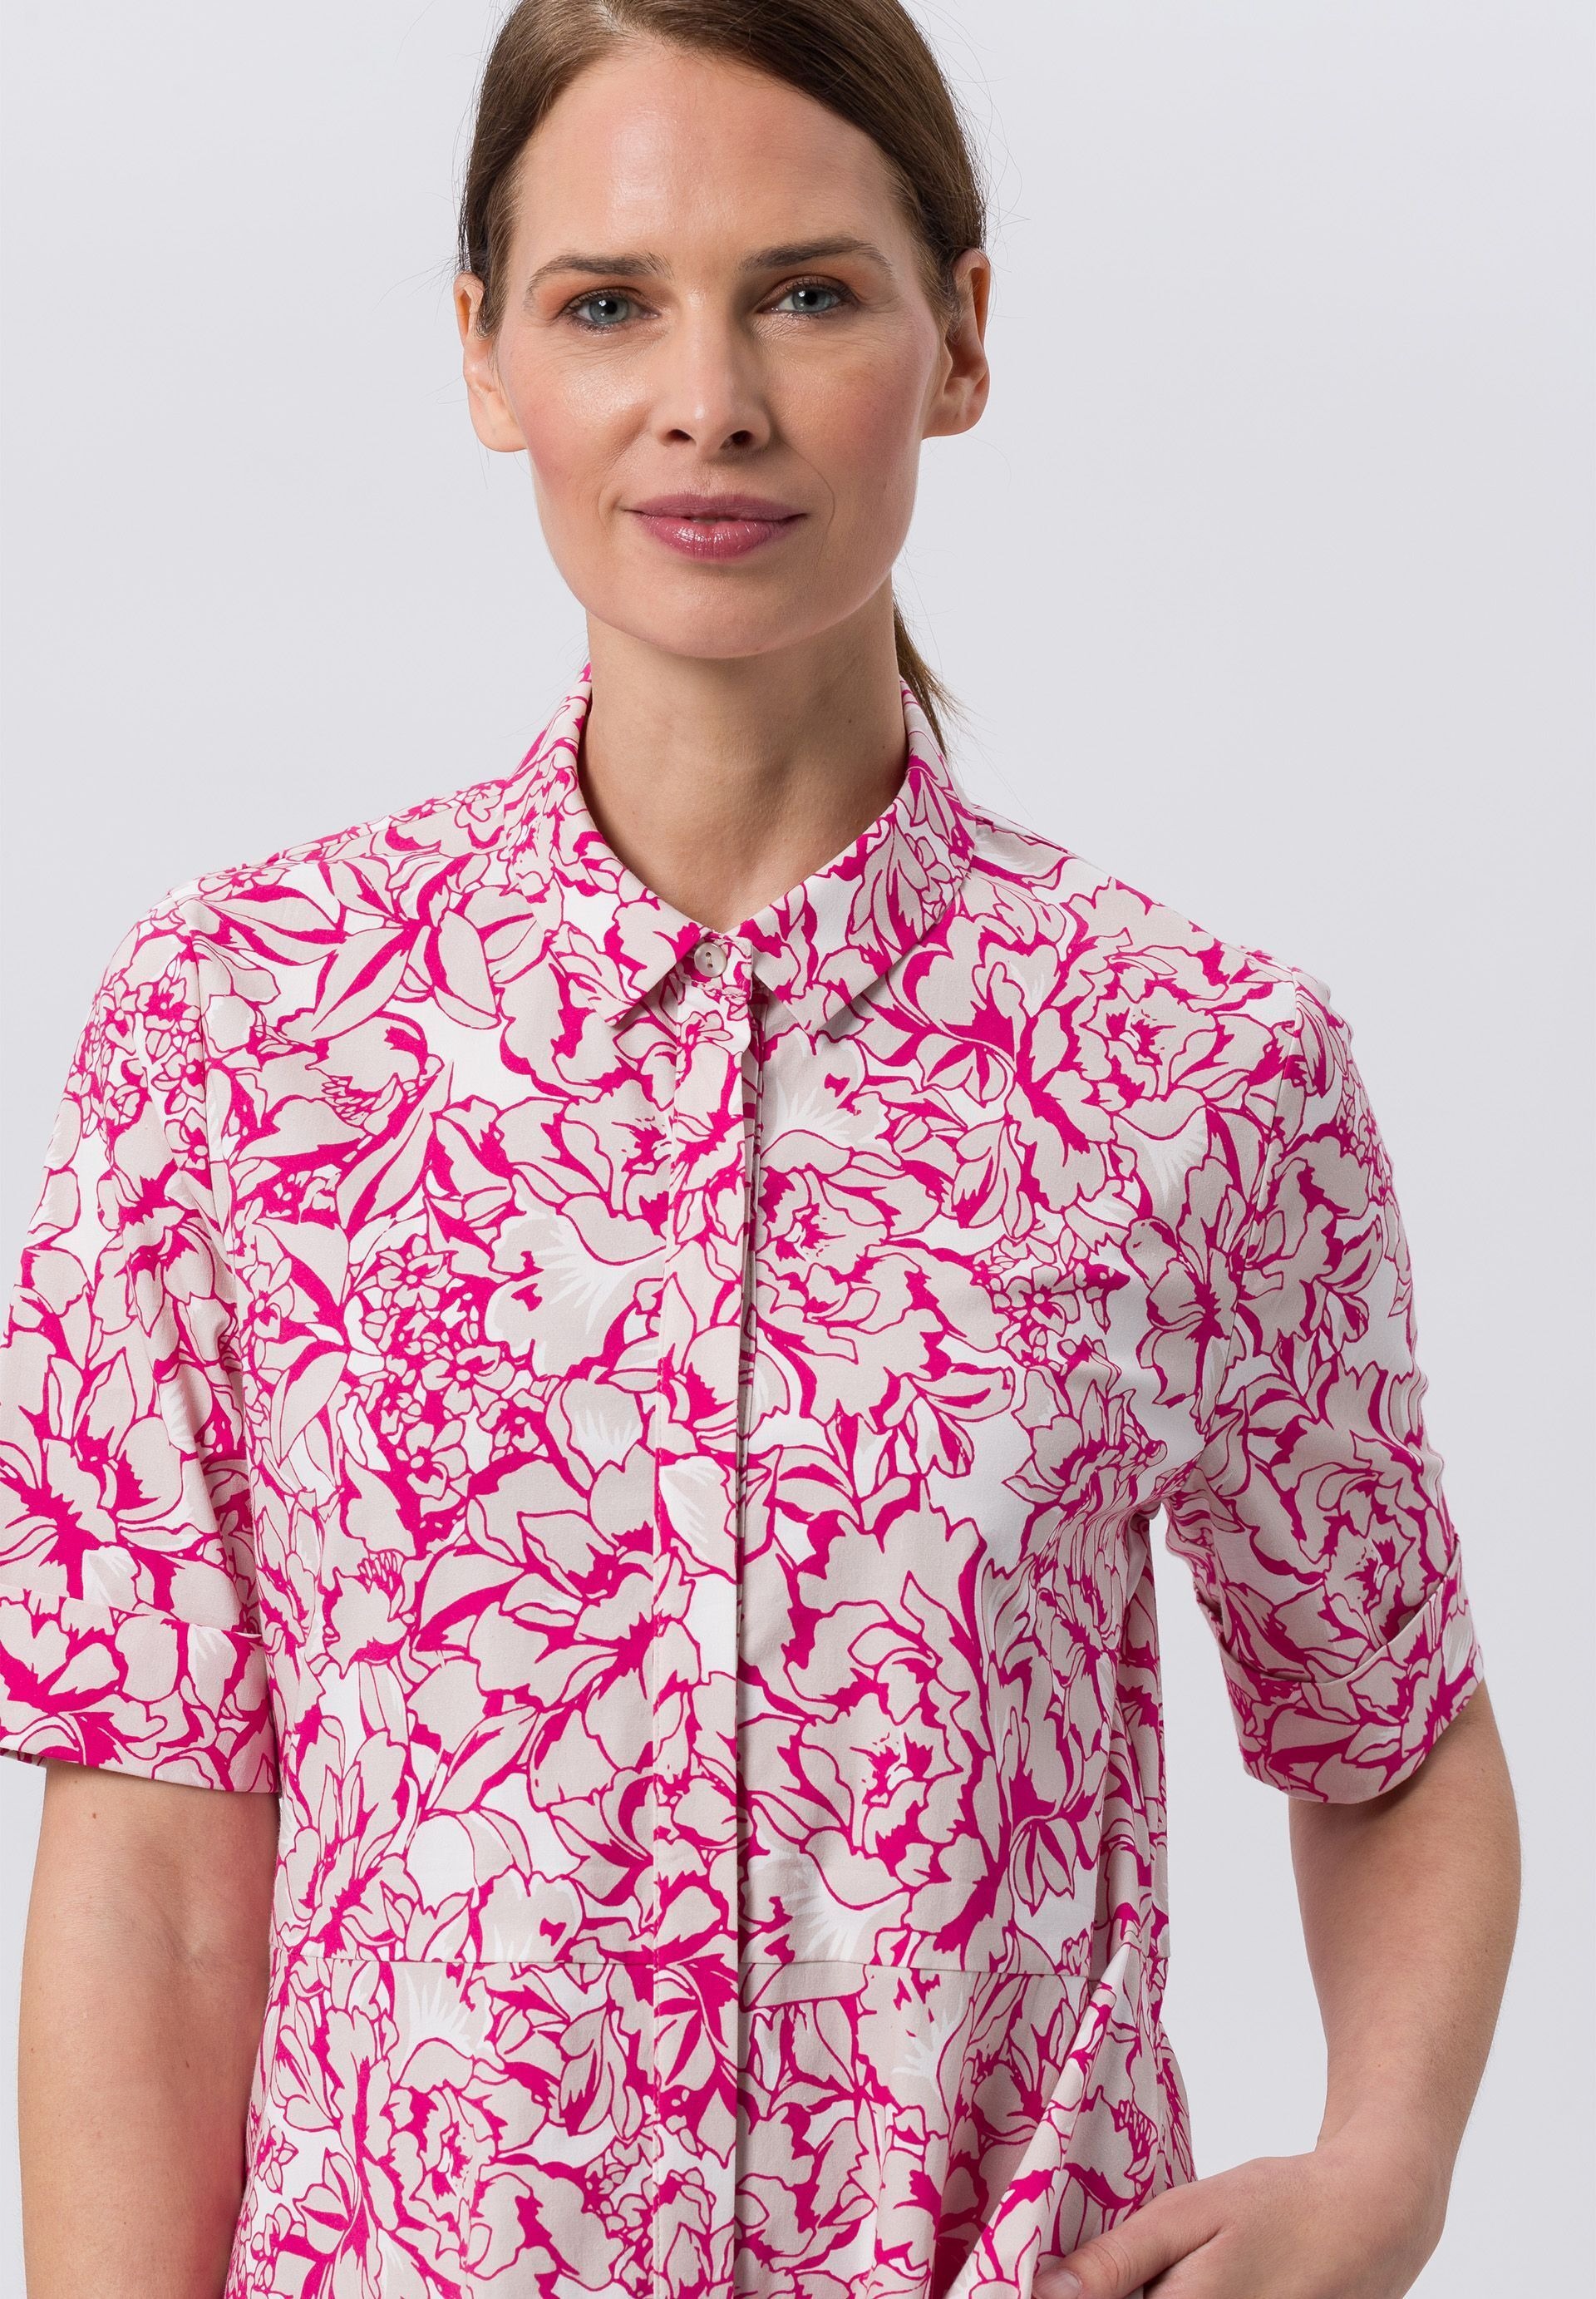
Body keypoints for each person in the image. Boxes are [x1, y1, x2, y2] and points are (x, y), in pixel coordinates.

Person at [2, 3, 1520, 2296]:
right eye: (607, 304)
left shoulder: (1203, 1069)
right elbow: (150, 1880)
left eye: (807, 293)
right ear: (486, 353)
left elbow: (1388, 1725)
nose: (708, 399)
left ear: (961, 336)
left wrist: (1385, 2171)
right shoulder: (231, 1041)